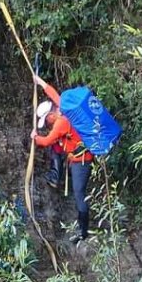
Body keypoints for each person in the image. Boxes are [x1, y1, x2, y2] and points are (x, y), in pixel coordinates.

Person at [30, 74, 92, 243]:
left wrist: (35, 137)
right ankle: (60, 175)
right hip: (77, 157)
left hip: (82, 161)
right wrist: (40, 81)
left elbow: (47, 140)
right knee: (59, 153)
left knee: (79, 193)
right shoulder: (63, 107)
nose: (48, 123)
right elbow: (53, 93)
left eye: (46, 120)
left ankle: (83, 231)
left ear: (50, 115)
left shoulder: (60, 123)